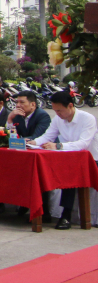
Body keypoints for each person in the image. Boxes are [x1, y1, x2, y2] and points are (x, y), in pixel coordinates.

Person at [31, 90, 98, 230]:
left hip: (91, 159)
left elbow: (83, 144)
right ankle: (54, 213)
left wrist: (58, 146)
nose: (58, 114)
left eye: (60, 110)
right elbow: (47, 136)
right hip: (68, 158)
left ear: (70, 106)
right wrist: (32, 143)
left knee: (71, 174)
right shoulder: (58, 119)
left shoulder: (88, 118)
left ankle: (66, 215)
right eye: (55, 111)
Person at [9, 91, 53, 221]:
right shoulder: (17, 116)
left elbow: (37, 137)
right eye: (17, 102)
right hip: (24, 153)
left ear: (33, 104)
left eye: (22, 102)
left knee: (38, 176)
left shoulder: (42, 116)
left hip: (43, 154)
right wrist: (10, 119)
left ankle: (44, 211)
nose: (18, 105)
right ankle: (23, 203)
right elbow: (11, 135)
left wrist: (18, 141)